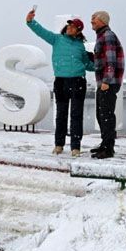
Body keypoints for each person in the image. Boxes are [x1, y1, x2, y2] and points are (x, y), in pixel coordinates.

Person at [26, 9, 94, 157]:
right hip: (61, 82)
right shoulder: (57, 39)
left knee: (76, 116)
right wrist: (31, 22)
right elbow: (41, 32)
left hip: (78, 82)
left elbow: (87, 65)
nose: (69, 28)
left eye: (73, 27)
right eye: (68, 26)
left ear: (78, 31)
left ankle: (75, 147)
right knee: (61, 115)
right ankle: (59, 145)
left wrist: (98, 65)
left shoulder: (81, 46)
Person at [89, 10, 125, 159]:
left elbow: (111, 61)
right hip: (104, 82)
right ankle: (105, 143)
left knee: (106, 115)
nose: (91, 21)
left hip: (107, 83)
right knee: (101, 114)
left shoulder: (107, 35)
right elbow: (102, 60)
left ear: (102, 21)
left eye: (94, 19)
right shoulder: (101, 36)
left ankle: (108, 149)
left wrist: (106, 81)